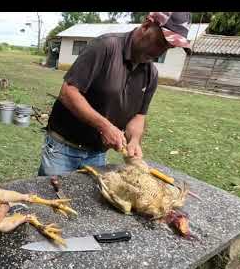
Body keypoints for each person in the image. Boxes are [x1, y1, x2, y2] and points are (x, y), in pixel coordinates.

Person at [38, 12, 192, 176]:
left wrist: (134, 141)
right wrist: (105, 127)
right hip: (63, 149)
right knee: (51, 198)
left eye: (168, 48)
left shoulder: (151, 74)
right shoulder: (105, 47)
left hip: (97, 154)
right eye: (160, 42)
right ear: (146, 25)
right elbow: (68, 93)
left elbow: (139, 116)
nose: (160, 52)